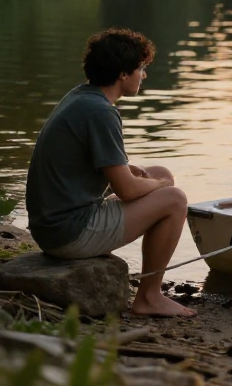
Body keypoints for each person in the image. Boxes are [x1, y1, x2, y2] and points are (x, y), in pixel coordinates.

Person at [25, 28, 195, 317]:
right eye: (141, 68)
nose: (144, 75)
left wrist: (150, 177)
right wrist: (160, 185)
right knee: (175, 198)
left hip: (51, 224)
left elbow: (85, 163)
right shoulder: (101, 113)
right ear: (122, 75)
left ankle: (145, 283)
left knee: (158, 172)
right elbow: (126, 190)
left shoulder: (82, 97)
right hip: (68, 233)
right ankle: (149, 297)